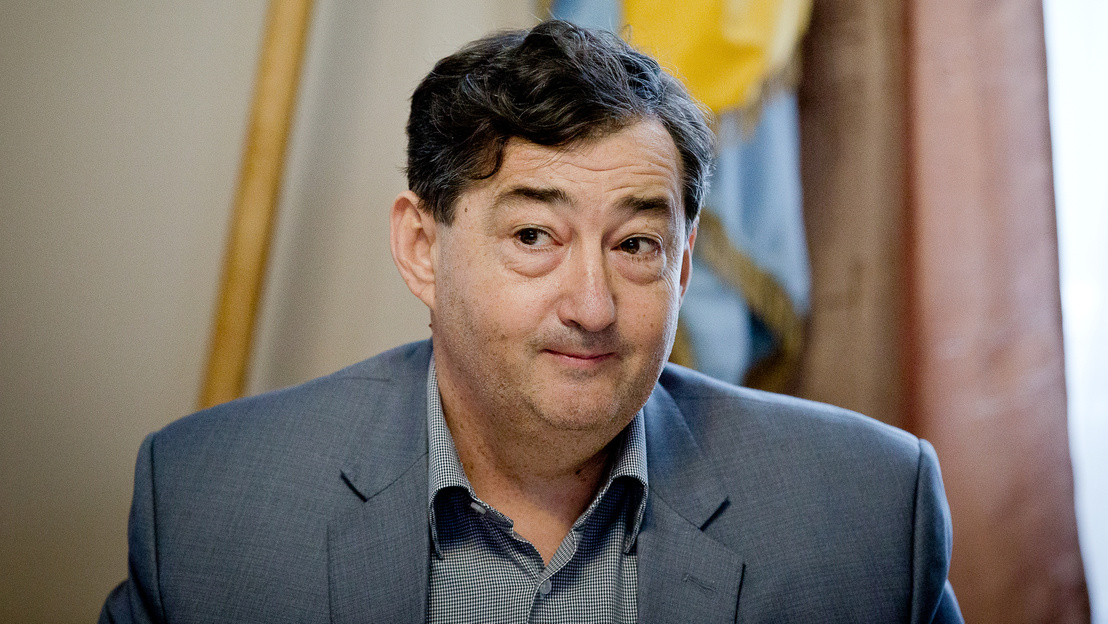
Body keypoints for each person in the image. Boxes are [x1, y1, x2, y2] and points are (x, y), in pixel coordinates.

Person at [100, 20, 963, 623]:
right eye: (533, 237)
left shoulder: (866, 511)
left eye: (636, 245)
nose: (592, 307)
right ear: (422, 249)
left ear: (683, 266)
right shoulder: (209, 504)